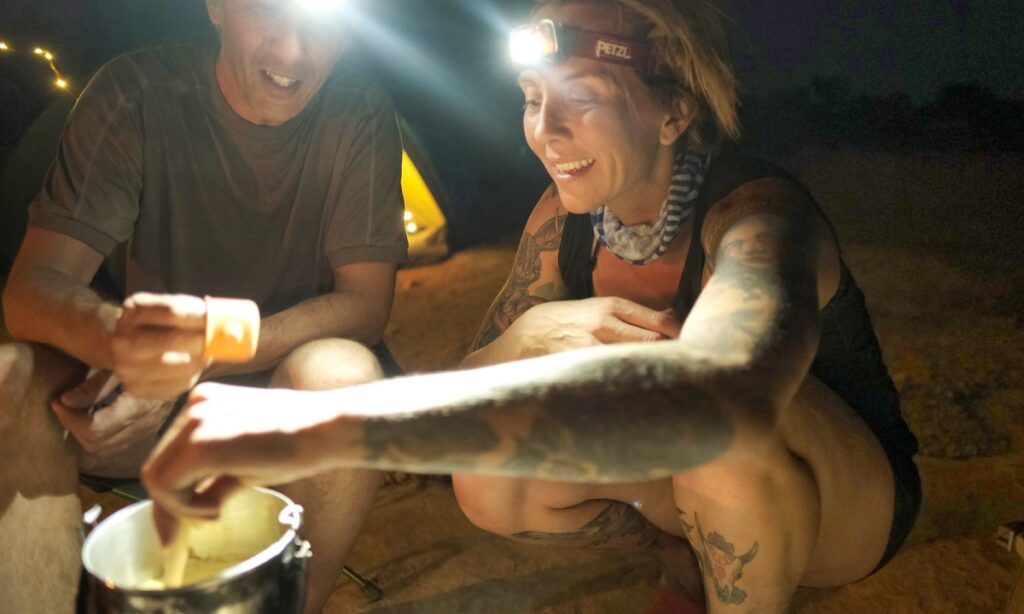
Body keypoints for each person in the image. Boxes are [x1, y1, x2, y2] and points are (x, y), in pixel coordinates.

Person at [142, 0, 921, 611]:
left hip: (848, 509)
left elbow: (722, 399)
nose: (545, 131)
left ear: (673, 111)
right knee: (491, 475)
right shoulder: (563, 220)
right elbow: (481, 377)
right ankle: (688, 560)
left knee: (710, 427)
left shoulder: (756, 216)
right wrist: (528, 329)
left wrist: (308, 426)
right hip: (690, 494)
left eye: (582, 97)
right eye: (531, 98)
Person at [0, 0, 408, 611]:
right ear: (217, 7)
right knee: (14, 378)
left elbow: (364, 305)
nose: (293, 53)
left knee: (343, 374)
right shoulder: (137, 95)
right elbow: (32, 289)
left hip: (274, 401)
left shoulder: (358, 109)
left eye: (324, 26)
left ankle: (295, 603)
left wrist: (193, 360)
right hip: (139, 410)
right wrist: (119, 344)